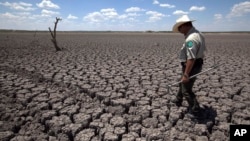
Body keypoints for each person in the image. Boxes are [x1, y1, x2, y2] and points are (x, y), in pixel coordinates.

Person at [172, 15, 206, 114]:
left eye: (180, 27)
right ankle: (178, 99)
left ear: (185, 25)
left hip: (192, 66)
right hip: (195, 64)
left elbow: (191, 58)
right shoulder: (199, 34)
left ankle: (196, 110)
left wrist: (186, 74)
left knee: (186, 90)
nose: (179, 30)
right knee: (181, 82)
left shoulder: (191, 39)